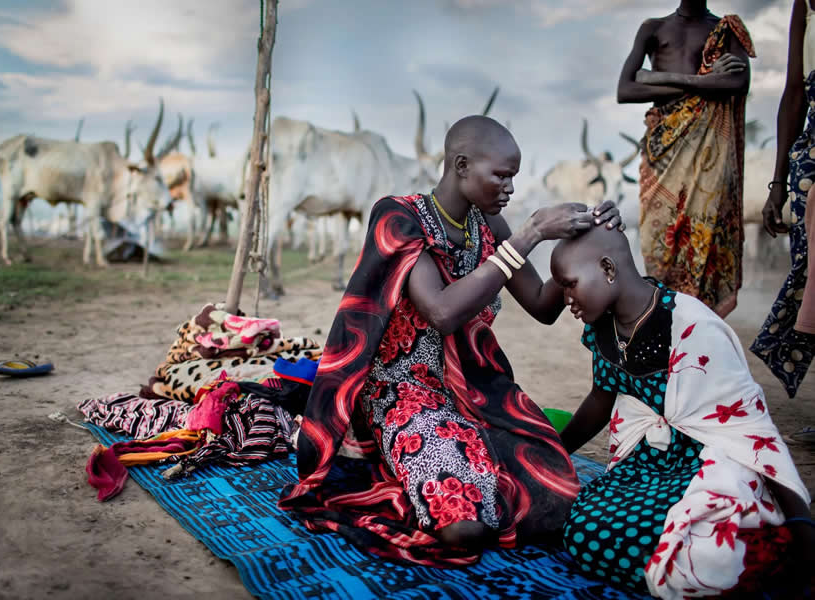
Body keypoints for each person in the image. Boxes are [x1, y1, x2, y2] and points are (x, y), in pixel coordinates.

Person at [278, 116, 624, 566]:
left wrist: (585, 236)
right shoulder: (399, 216)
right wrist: (530, 233)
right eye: (501, 176)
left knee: (557, 498)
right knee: (464, 529)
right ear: (461, 165)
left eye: (514, 177)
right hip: (402, 392)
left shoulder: (489, 226)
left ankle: (456, 463)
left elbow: (543, 305)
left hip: (476, 392)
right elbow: (441, 313)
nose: (510, 189)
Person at [551, 225, 813, 597]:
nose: (566, 299)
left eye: (569, 284)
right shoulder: (602, 328)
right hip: (647, 463)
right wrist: (553, 451)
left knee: (710, 548)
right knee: (582, 526)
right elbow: (601, 397)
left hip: (707, 461)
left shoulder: (692, 325)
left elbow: (750, 431)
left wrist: (802, 528)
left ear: (608, 268)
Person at [617, 0, 756, 318]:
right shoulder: (653, 28)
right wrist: (706, 82)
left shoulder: (726, 30)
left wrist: (658, 78)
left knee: (705, 235)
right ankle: (665, 314)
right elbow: (626, 89)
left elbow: (738, 84)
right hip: (663, 149)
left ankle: (698, 322)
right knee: (658, 239)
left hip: (710, 153)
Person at [751, 0, 815, 399]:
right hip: (811, 166)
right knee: (812, 279)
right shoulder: (804, 5)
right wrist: (778, 185)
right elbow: (794, 92)